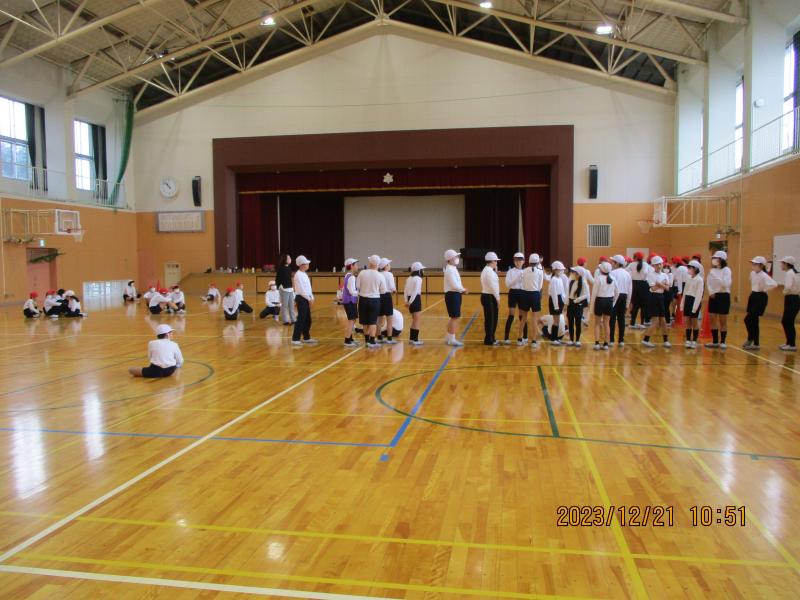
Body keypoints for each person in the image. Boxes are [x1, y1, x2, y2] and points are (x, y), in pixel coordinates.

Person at [743, 256, 777, 350]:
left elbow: (774, 284)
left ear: (761, 265)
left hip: (761, 297)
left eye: (755, 264)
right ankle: (755, 342)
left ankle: (751, 339)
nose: (753, 265)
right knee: (754, 320)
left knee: (748, 319)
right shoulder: (752, 273)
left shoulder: (764, 275)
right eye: (753, 264)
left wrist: (764, 289)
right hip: (753, 296)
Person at [704, 250, 732, 349]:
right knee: (712, 318)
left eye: (715, 258)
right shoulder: (712, 270)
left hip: (723, 296)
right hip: (713, 296)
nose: (713, 260)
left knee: (722, 320)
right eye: (713, 258)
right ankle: (715, 341)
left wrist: (716, 277)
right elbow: (708, 282)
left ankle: (723, 341)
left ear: (721, 259)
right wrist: (711, 292)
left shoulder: (727, 270)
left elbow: (726, 284)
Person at [357, 254, 386, 349]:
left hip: (363, 299)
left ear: (370, 263)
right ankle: (372, 341)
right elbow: (383, 291)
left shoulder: (362, 273)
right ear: (378, 264)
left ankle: (367, 340)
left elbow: (357, 286)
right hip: (375, 300)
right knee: (373, 321)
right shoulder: (380, 275)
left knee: (365, 321)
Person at [641, 256, 670, 348]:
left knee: (663, 320)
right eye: (657, 264)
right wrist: (662, 284)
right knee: (655, 321)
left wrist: (659, 284)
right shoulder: (650, 275)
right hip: (653, 297)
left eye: (660, 264)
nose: (659, 266)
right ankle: (645, 340)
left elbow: (667, 288)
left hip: (661, 297)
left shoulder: (665, 275)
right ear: (653, 265)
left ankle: (666, 340)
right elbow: (653, 288)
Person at [518, 253, 544, 347]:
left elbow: (521, 282)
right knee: (534, 319)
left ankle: (519, 339)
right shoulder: (540, 272)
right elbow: (540, 286)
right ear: (537, 263)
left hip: (524, 294)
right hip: (535, 294)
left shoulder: (524, 271)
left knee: (523, 318)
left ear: (529, 262)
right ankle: (533, 341)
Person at [591, 261, 618, 350]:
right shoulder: (613, 278)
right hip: (609, 301)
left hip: (600, 301)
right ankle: (606, 343)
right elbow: (617, 293)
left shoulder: (598, 279)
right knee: (607, 323)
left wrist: (591, 307)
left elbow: (594, 294)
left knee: (597, 323)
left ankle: (597, 343)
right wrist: (613, 303)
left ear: (601, 270)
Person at [443, 249, 468, 347]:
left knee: (453, 317)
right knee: (455, 317)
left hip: (455, 294)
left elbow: (457, 283)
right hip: (452, 295)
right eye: (455, 257)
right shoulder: (450, 270)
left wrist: (461, 289)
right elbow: (454, 285)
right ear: (450, 259)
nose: (457, 258)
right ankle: (452, 339)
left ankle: (449, 337)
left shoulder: (452, 268)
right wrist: (463, 289)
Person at [291, 255, 317, 345]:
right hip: (301, 298)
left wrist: (312, 297)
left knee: (307, 319)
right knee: (301, 319)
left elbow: (308, 288)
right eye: (306, 263)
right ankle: (295, 338)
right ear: (302, 265)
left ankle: (306, 337)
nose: (308, 265)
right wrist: (309, 299)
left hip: (306, 298)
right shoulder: (298, 275)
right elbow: (301, 290)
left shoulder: (304, 274)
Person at [680, 260, 704, 349]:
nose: (688, 269)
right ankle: (688, 340)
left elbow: (699, 295)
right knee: (687, 321)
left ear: (695, 269)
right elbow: (685, 292)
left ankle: (694, 340)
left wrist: (694, 308)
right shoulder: (688, 278)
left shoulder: (700, 280)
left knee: (694, 321)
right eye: (688, 267)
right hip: (688, 300)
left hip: (695, 301)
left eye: (690, 268)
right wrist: (682, 303)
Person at [609, 255, 631, 347]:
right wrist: (628, 303)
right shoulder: (627, 274)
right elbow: (630, 289)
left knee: (612, 318)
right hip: (624, 297)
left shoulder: (612, 273)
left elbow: (610, 287)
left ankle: (611, 340)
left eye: (613, 262)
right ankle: (621, 340)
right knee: (621, 318)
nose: (611, 263)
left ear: (617, 263)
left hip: (614, 296)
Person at [503, 252, 525, 344]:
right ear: (514, 261)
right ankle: (506, 338)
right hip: (513, 293)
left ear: (523, 261)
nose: (518, 262)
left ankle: (524, 337)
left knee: (522, 316)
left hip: (522, 293)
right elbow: (508, 285)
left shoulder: (525, 271)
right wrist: (517, 278)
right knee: (511, 315)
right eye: (516, 260)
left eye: (520, 260)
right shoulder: (510, 271)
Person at [779, 256, 799, 351]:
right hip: (795, 298)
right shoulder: (794, 273)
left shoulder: (789, 273)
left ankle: (792, 344)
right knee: (787, 321)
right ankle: (789, 342)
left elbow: (788, 286)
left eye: (782, 263)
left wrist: (784, 292)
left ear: (786, 264)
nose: (781, 265)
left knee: (787, 321)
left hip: (791, 299)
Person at [480, 251, 501, 346]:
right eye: (495, 261)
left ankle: (490, 338)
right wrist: (498, 299)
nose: (496, 262)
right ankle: (489, 339)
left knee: (490, 318)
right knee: (491, 319)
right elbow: (494, 286)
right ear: (492, 261)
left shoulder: (487, 270)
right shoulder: (489, 272)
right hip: (489, 296)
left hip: (487, 295)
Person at [566, 267, 589, 347]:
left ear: (579, 274)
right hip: (571, 304)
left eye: (574, 272)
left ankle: (577, 340)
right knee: (570, 322)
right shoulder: (572, 281)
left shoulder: (583, 283)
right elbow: (568, 293)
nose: (572, 273)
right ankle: (571, 339)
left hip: (578, 304)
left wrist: (577, 300)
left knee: (578, 322)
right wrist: (567, 303)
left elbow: (586, 294)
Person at [404, 261, 425, 346]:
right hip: (415, 299)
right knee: (417, 320)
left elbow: (405, 291)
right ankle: (415, 340)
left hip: (410, 299)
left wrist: (406, 300)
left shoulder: (409, 278)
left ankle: (412, 339)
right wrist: (410, 302)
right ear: (419, 270)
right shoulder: (418, 279)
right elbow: (415, 292)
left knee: (414, 320)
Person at [628, 251, 651, 329]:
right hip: (644, 285)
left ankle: (632, 323)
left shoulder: (631, 264)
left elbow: (625, 271)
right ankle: (642, 323)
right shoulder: (646, 264)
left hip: (635, 285)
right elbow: (649, 273)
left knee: (635, 305)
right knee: (643, 306)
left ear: (635, 257)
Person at [546, 261, 567, 345]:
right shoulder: (553, 280)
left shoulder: (560, 279)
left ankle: (556, 338)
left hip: (559, 300)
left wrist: (565, 301)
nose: (562, 271)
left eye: (562, 270)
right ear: (555, 270)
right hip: (555, 301)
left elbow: (562, 292)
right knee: (556, 321)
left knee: (557, 321)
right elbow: (553, 294)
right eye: (560, 270)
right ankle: (553, 339)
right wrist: (556, 306)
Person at [341, 259, 360, 347]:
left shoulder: (347, 275)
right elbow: (352, 291)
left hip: (348, 301)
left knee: (352, 320)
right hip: (350, 301)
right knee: (351, 320)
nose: (357, 266)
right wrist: (360, 292)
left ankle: (350, 338)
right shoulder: (351, 277)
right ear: (351, 266)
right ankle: (347, 340)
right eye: (356, 264)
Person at [378, 258, 397, 344]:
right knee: (389, 318)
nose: (390, 266)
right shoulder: (389, 274)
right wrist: (394, 291)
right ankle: (389, 338)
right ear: (385, 266)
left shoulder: (378, 274)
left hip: (378, 296)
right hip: (386, 296)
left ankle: (379, 336)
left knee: (379, 318)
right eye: (388, 264)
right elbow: (393, 288)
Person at [276, 253, 296, 325]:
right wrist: (280, 286)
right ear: (285, 259)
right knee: (284, 306)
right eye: (289, 258)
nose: (290, 259)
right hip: (284, 289)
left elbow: (289, 279)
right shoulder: (281, 268)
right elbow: (278, 279)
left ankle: (293, 319)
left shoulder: (289, 268)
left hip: (290, 289)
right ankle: (285, 321)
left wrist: (292, 288)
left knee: (291, 305)